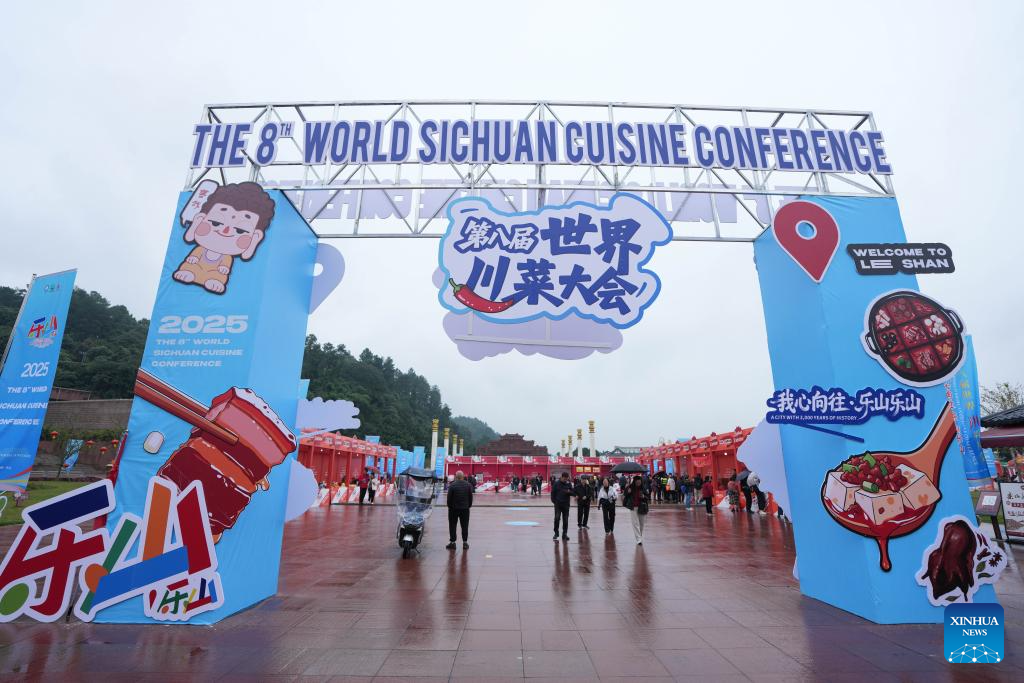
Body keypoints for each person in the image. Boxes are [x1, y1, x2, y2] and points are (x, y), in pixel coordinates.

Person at [446, 470, 473, 550]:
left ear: (456, 477)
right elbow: (470, 497)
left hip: (453, 509)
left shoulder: (452, 485)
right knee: (465, 526)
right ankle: (465, 543)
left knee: (452, 526)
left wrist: (450, 506)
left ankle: (452, 542)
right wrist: (468, 506)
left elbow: (449, 498)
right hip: (465, 509)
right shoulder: (468, 485)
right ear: (463, 476)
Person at [623, 475, 650, 544]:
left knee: (641, 524)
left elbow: (648, 497)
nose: (638, 483)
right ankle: (638, 539)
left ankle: (639, 536)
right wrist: (628, 492)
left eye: (639, 482)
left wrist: (644, 496)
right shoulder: (630, 487)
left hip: (642, 507)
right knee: (635, 524)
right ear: (634, 482)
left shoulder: (643, 488)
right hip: (633, 507)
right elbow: (625, 495)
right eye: (637, 482)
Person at [550, 471, 575, 541]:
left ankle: (565, 534)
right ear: (562, 477)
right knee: (557, 518)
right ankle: (556, 533)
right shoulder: (556, 483)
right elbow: (553, 493)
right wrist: (554, 502)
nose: (565, 480)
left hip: (566, 505)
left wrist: (569, 492)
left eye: (567, 479)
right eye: (565, 479)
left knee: (565, 520)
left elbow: (573, 492)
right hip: (558, 504)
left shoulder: (568, 484)